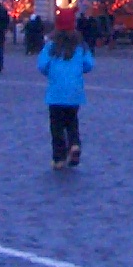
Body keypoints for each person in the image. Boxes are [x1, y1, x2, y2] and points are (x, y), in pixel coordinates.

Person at [38, 10, 94, 168]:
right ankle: (74, 144)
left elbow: (42, 65)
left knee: (56, 127)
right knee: (71, 122)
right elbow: (89, 64)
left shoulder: (51, 45)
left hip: (56, 93)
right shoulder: (80, 45)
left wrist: (51, 73)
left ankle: (59, 158)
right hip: (75, 93)